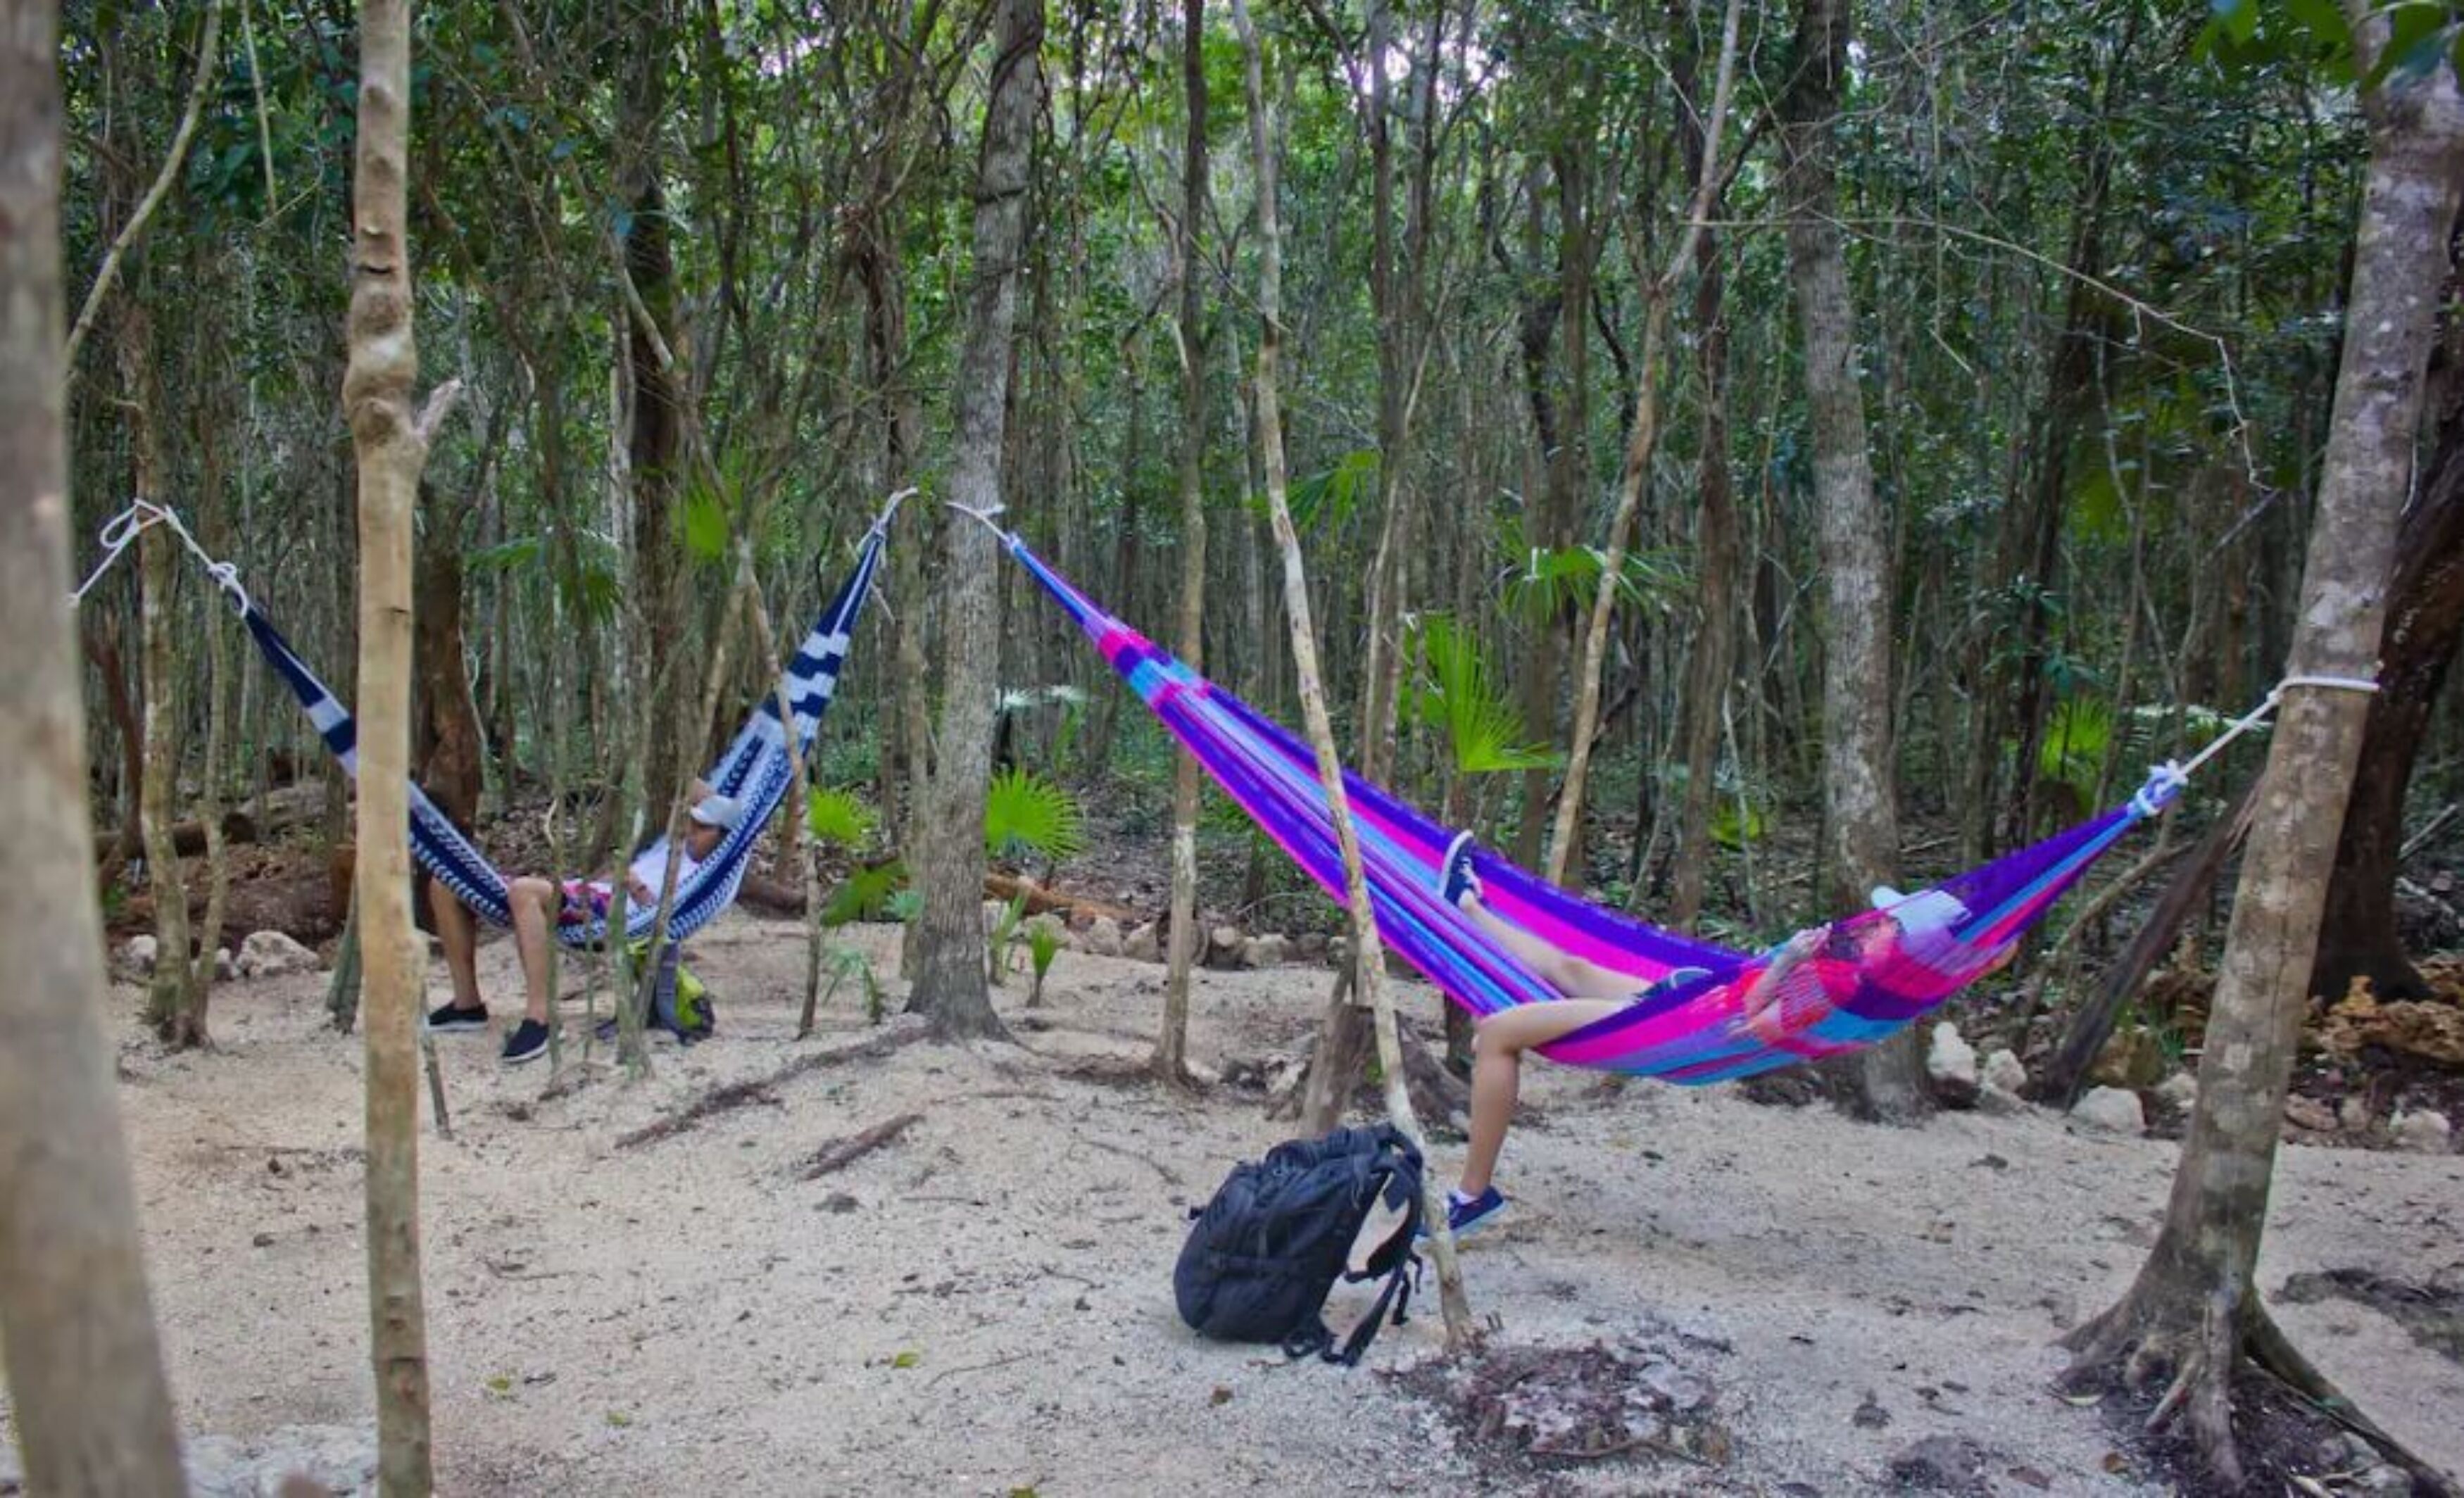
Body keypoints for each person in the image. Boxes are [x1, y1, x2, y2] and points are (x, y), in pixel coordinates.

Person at [1431, 832, 1980, 1238]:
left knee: (1497, 1035)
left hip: (1686, 1027)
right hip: (1685, 999)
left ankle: (1471, 1196)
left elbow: (1756, 1022)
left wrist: (1788, 960)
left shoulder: (1848, 986)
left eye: (1890, 923)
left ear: (1901, 943)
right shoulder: (1856, 965)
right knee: (1568, 966)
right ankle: (1468, 904)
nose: (1878, 923)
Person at [427, 785, 745, 1064]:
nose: (692, 831)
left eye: (704, 829)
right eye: (693, 823)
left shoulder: (703, 875)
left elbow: (661, 919)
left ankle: (541, 1019)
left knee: (524, 892)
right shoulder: (675, 850)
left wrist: (636, 888)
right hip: (587, 894)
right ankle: (467, 1004)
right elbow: (691, 782)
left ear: (725, 839)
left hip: (617, 912)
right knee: (446, 883)